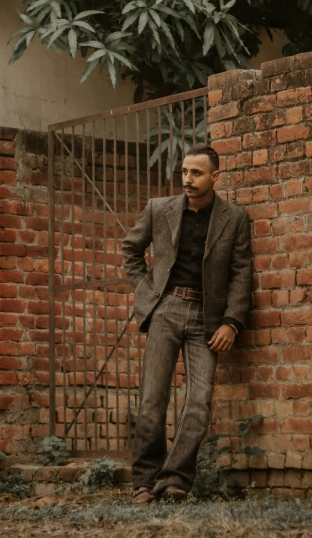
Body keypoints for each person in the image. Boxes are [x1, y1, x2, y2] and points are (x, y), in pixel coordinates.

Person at [121, 144, 252, 504]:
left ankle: (174, 480)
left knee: (199, 401)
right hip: (166, 309)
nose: (188, 180)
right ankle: (144, 483)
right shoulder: (159, 209)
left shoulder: (234, 218)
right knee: (152, 400)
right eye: (184, 172)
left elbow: (242, 272)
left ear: (215, 176)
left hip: (208, 320)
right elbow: (130, 250)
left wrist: (232, 321)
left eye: (196, 173)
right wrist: (147, 293)